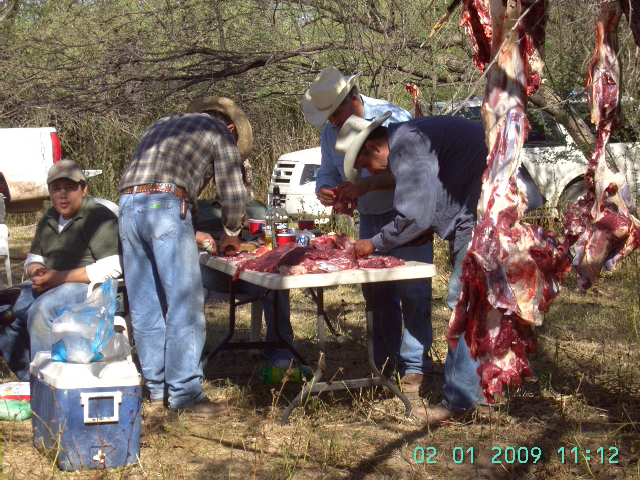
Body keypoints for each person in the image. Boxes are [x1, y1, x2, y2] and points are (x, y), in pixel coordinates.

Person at [336, 112, 545, 422]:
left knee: (463, 303)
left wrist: (374, 243)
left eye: (365, 165)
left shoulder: (406, 145)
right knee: (483, 305)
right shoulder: (411, 137)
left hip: (490, 210)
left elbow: (414, 215)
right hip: (486, 206)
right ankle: (481, 395)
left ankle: (460, 402)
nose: (370, 172)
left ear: (374, 147)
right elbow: (430, 193)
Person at [303, 66, 435, 394]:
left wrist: (366, 187)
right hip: (370, 219)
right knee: (377, 295)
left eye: (335, 114)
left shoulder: (393, 117)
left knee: (413, 291)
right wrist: (327, 190)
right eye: (328, 118)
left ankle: (416, 366)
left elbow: (413, 173)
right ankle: (386, 366)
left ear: (353, 99)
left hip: (404, 213)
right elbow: (327, 172)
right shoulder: (330, 132)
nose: (332, 122)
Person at [118, 96, 250, 416]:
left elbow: (148, 182)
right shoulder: (219, 132)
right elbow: (232, 187)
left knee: (146, 304)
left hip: (127, 206)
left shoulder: (161, 125)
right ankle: (186, 394)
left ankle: (157, 388)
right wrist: (232, 232)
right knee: (185, 302)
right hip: (165, 204)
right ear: (230, 127)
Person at [0, 159, 122, 380]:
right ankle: (30, 380)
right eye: (56, 189)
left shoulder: (99, 217)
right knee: (3, 307)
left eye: (70, 187)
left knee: (42, 310)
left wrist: (60, 278)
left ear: (84, 190)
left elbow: (114, 267)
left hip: (87, 288)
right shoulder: (48, 218)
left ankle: (49, 385)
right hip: (50, 282)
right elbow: (34, 258)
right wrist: (36, 271)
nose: (63, 195)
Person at [195, 230, 296, 368]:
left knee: (275, 280)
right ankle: (186, 359)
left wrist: (237, 230)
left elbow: (243, 218)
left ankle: (281, 349)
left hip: (246, 255)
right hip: (207, 262)